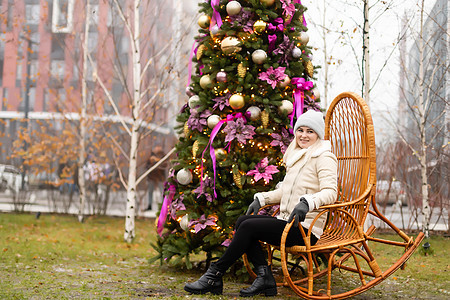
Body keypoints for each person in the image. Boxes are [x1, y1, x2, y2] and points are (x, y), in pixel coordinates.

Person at [184, 110, 338, 297]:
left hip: (306, 228)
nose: (304, 135)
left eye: (310, 132)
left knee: (248, 226)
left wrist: (307, 202)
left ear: (318, 135)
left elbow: (331, 192)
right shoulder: (297, 155)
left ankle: (214, 274)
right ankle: (264, 277)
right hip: (287, 222)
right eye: (301, 130)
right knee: (243, 220)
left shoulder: (324, 156)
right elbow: (285, 191)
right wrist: (262, 199)